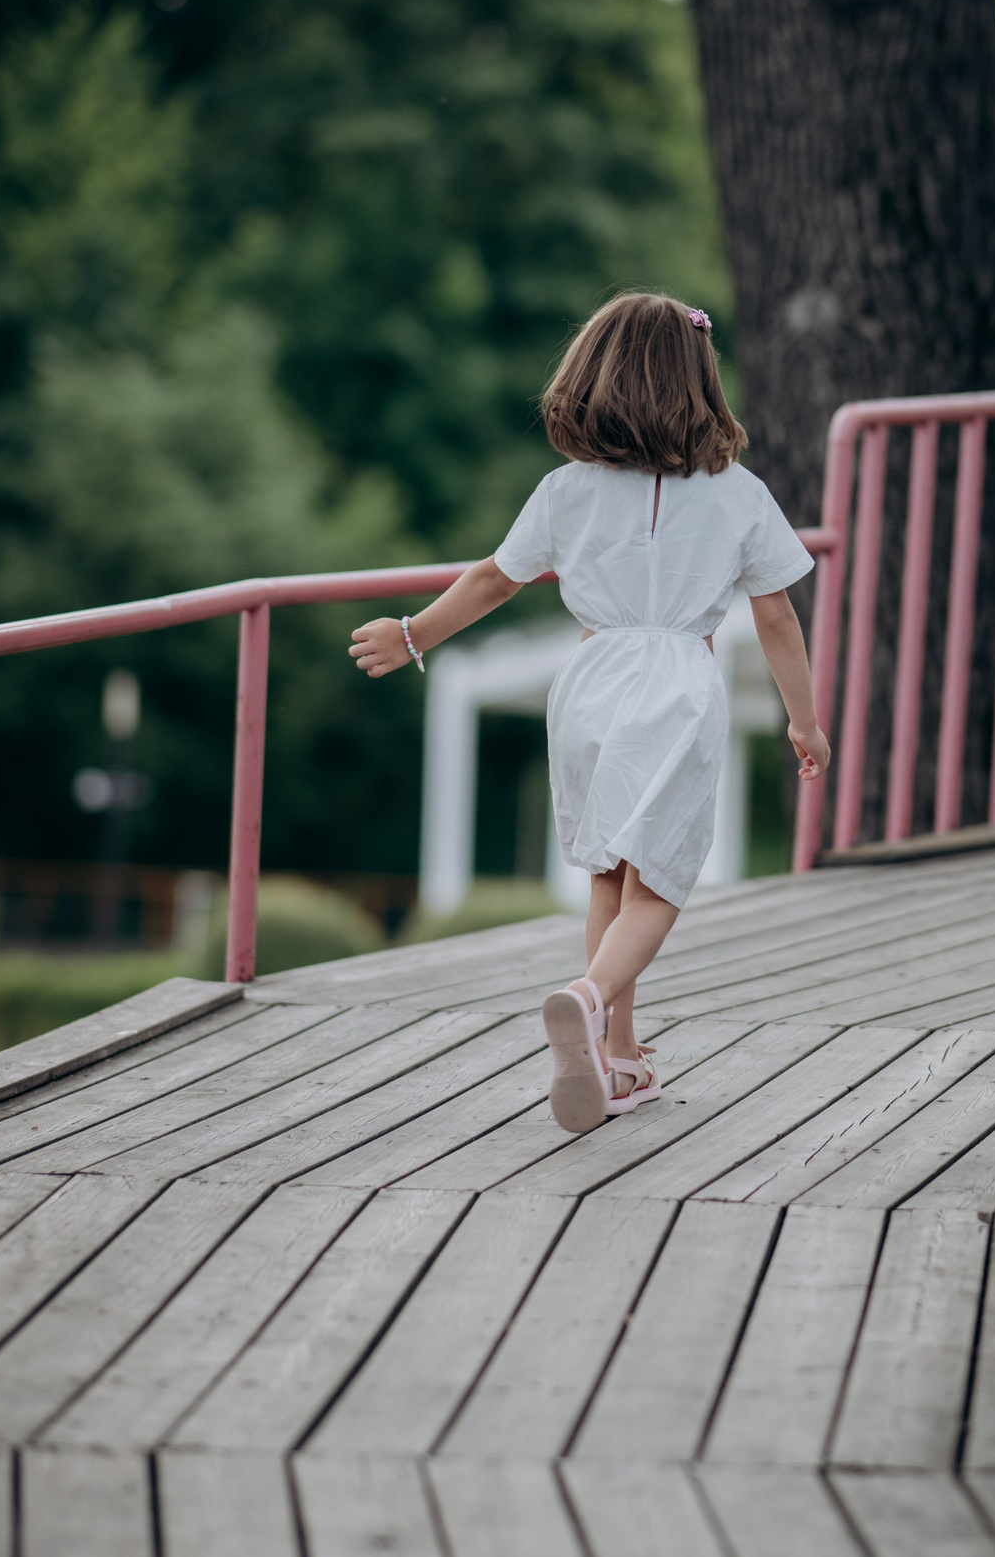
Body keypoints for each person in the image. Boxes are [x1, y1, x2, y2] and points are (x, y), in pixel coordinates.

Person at [349, 293, 831, 1133]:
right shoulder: (738, 494)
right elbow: (777, 617)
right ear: (701, 384)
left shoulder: (565, 491)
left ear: (592, 379)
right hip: (676, 684)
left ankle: (618, 1057)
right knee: (661, 885)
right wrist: (804, 719)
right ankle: (588, 997)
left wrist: (412, 635)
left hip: (588, 681)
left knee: (611, 875)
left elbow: (495, 579)